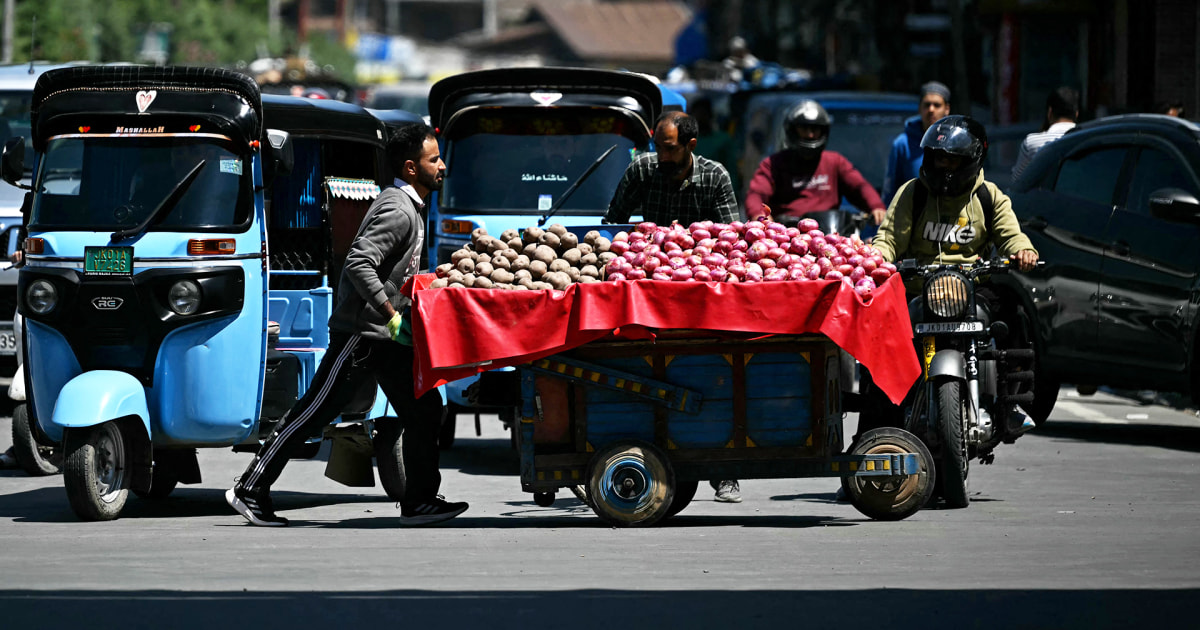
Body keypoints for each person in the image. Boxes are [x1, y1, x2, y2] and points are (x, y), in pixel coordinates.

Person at [227, 122, 468, 527]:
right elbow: (359, 262)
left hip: (386, 339)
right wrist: (390, 315)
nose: (442, 166)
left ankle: (420, 501)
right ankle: (250, 489)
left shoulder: (410, 206)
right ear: (411, 168)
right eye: (434, 159)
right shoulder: (397, 208)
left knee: (426, 411)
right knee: (314, 412)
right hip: (363, 334)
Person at [865, 115, 1039, 442]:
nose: (944, 166)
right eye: (938, 157)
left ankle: (1010, 405)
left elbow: (1011, 235)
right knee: (879, 336)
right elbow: (888, 238)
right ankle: (875, 428)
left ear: (971, 161)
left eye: (953, 159)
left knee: (1016, 315)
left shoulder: (989, 196)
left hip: (972, 287)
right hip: (918, 288)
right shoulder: (912, 193)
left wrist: (1023, 251)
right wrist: (878, 258)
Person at [743, 99, 886, 227]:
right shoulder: (773, 164)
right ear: (792, 130)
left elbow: (859, 187)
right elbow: (756, 195)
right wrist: (760, 217)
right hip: (788, 238)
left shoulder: (835, 162)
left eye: (815, 129)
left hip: (831, 236)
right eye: (804, 129)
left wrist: (876, 206)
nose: (810, 135)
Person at [604, 111, 739, 226]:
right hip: (651, 254)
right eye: (658, 147)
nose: (663, 156)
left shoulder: (715, 177)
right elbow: (614, 221)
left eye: (670, 149)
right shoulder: (642, 169)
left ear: (691, 145)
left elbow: (729, 234)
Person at [880, 81, 952, 215]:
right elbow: (891, 191)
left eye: (937, 105)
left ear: (947, 109)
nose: (931, 110)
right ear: (920, 108)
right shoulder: (902, 144)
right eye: (926, 105)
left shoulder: (955, 143)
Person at [1010, 86, 1080, 182]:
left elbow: (1016, 182)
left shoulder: (1032, 142)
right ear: (1076, 114)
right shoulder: (1089, 141)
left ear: (1050, 112)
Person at [691, 96, 740, 196]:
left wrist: (732, 195)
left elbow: (732, 171)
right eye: (697, 115)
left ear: (710, 115)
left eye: (703, 114)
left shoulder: (723, 140)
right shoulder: (687, 141)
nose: (700, 119)